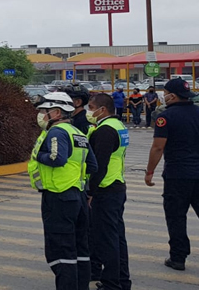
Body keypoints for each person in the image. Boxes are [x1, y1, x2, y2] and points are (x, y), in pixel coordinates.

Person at [28, 91, 98, 290]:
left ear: (57, 113)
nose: (42, 115)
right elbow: (92, 165)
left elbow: (57, 159)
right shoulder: (77, 133)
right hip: (78, 197)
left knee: (61, 251)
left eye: (45, 111)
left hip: (59, 197)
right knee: (80, 249)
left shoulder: (57, 132)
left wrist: (39, 155)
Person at [144, 78, 199, 271]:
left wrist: (149, 172)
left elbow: (158, 147)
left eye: (165, 93)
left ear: (172, 96)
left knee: (176, 217)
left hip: (177, 175)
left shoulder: (165, 117)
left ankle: (178, 258)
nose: (163, 96)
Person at [87, 93, 131, 290]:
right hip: (117, 186)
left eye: (91, 107)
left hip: (105, 189)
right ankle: (122, 280)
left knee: (107, 239)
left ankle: (112, 283)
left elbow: (99, 165)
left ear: (102, 109)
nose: (89, 111)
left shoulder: (105, 130)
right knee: (117, 237)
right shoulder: (119, 126)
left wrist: (90, 192)